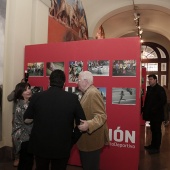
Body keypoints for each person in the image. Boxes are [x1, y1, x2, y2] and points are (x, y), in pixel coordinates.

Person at [24, 69, 86, 170]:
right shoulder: (72, 98)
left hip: (40, 146)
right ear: (64, 83)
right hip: (62, 146)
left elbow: (26, 118)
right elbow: (83, 123)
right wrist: (72, 140)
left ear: (49, 81)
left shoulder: (37, 97)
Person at [77, 71, 109, 170]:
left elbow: (101, 115)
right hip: (87, 142)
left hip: (91, 143)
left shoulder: (93, 93)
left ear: (85, 81)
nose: (77, 82)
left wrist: (89, 125)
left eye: (78, 80)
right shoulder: (88, 92)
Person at [143, 74, 167, 154]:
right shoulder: (150, 89)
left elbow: (163, 101)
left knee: (157, 131)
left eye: (151, 79)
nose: (149, 81)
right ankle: (152, 145)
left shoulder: (160, 89)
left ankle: (156, 148)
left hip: (157, 115)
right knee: (153, 130)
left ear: (155, 80)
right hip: (151, 115)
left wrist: (154, 108)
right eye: (148, 79)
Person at [12, 82, 34, 170]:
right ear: (20, 93)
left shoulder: (27, 103)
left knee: (26, 161)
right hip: (24, 137)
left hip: (24, 136)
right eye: (25, 89)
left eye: (29, 88)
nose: (29, 91)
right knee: (26, 162)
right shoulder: (22, 105)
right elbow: (27, 121)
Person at [7, 78, 25, 167]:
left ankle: (24, 157)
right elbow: (9, 98)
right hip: (16, 119)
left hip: (27, 118)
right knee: (16, 137)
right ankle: (17, 157)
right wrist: (16, 90)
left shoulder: (28, 92)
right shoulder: (16, 93)